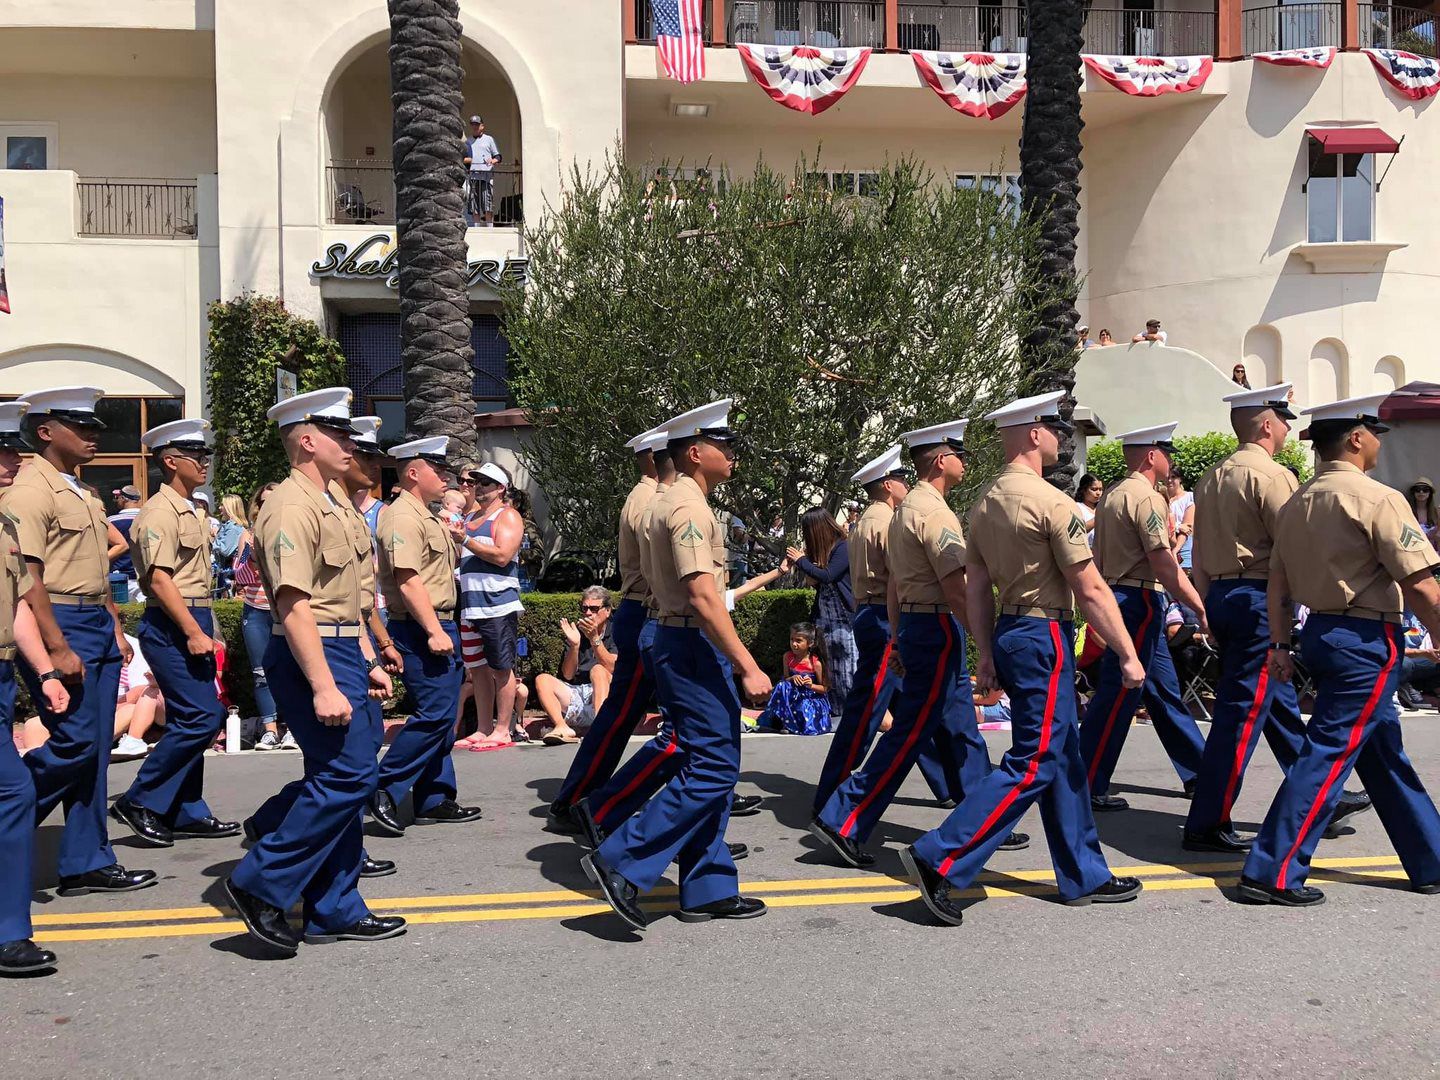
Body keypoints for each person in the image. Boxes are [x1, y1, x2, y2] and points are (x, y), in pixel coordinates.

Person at [901, 392, 1145, 924]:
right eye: (1055, 426)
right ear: (1034, 434)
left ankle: (1084, 873)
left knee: (1063, 757)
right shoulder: (1051, 502)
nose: (1061, 436)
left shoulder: (984, 502)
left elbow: (979, 587)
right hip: (1043, 634)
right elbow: (1091, 587)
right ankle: (940, 856)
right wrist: (1127, 653)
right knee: (1035, 759)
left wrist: (986, 652)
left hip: (1012, 632)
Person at [1240, 393, 1440, 905]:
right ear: (1356, 437)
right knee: (1326, 755)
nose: (1377, 444)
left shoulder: (1298, 501)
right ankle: (1271, 869)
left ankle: (1430, 859)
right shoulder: (1378, 498)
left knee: (1381, 753)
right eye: (1375, 434)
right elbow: (1419, 583)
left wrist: (1281, 644)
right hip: (1365, 640)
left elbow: (1278, 585)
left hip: (1323, 634)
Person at [582, 399, 773, 930]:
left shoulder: (676, 501)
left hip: (678, 639)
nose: (732, 455)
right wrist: (747, 664)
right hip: (689, 642)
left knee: (711, 761)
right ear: (695, 452)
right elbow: (703, 596)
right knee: (713, 767)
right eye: (724, 446)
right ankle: (620, 858)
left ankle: (707, 886)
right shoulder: (688, 508)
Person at [225, 387, 400, 956]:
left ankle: (333, 909)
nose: (350, 444)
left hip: (341, 649)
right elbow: (294, 603)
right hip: (311, 654)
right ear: (306, 440)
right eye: (338, 433)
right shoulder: (291, 505)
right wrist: (325, 683)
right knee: (348, 777)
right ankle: (260, 882)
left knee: (344, 778)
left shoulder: (331, 501)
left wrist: (367, 659)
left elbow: (348, 597)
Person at [810, 418, 1008, 870]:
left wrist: (898, 636)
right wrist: (985, 646)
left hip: (915, 627)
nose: (964, 461)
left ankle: (971, 812)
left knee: (934, 726)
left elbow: (896, 585)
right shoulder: (933, 511)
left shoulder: (904, 512)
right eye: (959, 453)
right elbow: (956, 585)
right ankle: (844, 816)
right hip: (935, 627)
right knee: (911, 731)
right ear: (941, 460)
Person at [1184, 384, 1370, 852]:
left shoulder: (1211, 477)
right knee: (1240, 717)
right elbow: (1291, 547)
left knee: (1276, 702)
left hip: (1225, 597)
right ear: (1267, 424)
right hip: (1257, 597)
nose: (1288, 429)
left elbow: (1201, 554)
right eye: (1284, 420)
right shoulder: (1272, 475)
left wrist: (1205, 608)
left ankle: (1318, 800)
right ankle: (1207, 822)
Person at [2, 386, 154, 898]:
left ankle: (87, 860)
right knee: (76, 743)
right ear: (45, 432)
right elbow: (28, 576)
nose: (94, 436)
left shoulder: (83, 493)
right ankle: (11, 814)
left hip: (92, 619)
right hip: (61, 621)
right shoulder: (30, 490)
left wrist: (113, 626)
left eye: (93, 427)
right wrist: (56, 646)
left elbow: (94, 573)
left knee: (93, 752)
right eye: (81, 427)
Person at [109, 419, 239, 848]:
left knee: (193, 716)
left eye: (205, 455)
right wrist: (191, 631)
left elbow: (199, 580)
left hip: (194, 619)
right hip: (172, 623)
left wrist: (207, 628)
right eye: (196, 456)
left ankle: (185, 809)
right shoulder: (159, 513)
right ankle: (141, 799)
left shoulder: (194, 508)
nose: (204, 463)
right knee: (204, 716)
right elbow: (161, 581)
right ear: (170, 461)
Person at [1078, 422, 1210, 811]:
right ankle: (1086, 781)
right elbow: (1164, 563)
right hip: (1139, 600)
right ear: (1152, 455)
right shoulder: (1147, 498)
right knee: (1118, 695)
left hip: (1123, 597)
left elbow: (1099, 559)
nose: (1171, 462)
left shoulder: (1113, 496)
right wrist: (1200, 608)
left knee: (1162, 692)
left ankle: (1202, 772)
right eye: (1167, 453)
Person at [548, 427, 666, 823]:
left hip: (644, 611)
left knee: (623, 715)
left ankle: (578, 799)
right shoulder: (650, 499)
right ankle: (585, 803)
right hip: (647, 611)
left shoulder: (648, 496)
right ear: (657, 457)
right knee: (630, 717)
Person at [368, 435, 480, 838]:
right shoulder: (402, 517)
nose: (446, 476)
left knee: (443, 713)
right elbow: (408, 578)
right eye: (438, 469)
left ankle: (434, 797)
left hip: (437, 622)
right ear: (414, 472)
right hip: (420, 626)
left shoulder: (425, 515)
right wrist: (433, 629)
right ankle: (383, 786)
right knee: (434, 714)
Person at [0, 401, 71, 975]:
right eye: (0, 453)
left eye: (12, 452)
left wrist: (44, 671)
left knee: (15, 792)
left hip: (2, 677)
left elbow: (20, 602)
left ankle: (9, 931)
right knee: (15, 792)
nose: (11, 462)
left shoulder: (3, 526)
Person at [812, 445, 908, 813]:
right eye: (901, 479)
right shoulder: (885, 522)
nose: (905, 486)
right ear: (887, 485)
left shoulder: (865, 521)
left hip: (872, 613)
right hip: (884, 616)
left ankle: (954, 784)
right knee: (867, 711)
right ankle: (831, 796)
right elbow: (898, 577)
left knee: (920, 709)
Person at [455, 462, 524, 749]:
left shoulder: (507, 516)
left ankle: (503, 729)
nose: (478, 487)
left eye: (485, 483)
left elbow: (502, 556)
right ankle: (484, 728)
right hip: (470, 605)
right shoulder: (469, 516)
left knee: (501, 668)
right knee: (478, 669)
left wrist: (466, 540)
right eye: (476, 482)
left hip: (497, 605)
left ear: (500, 488)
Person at [233, 482, 293, 751]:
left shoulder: (292, 530)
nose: (268, 506)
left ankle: (292, 727)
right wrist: (254, 556)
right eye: (263, 501)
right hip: (256, 609)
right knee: (261, 672)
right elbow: (240, 577)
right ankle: (270, 729)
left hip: (287, 610)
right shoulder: (248, 535)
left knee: (294, 669)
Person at [788, 507, 855, 721]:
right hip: (824, 621)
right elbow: (817, 581)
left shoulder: (843, 546)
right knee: (828, 668)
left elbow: (828, 576)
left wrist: (800, 560)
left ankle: (851, 712)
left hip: (844, 621)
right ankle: (834, 710)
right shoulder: (825, 551)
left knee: (847, 667)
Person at [534, 587, 617, 745]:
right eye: (584, 608)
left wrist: (594, 639)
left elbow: (612, 667)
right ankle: (562, 727)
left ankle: (600, 727)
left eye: (593, 609)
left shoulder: (616, 631)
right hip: (578, 694)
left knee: (598, 670)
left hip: (605, 693)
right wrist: (574, 646)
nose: (588, 613)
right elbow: (568, 675)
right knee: (542, 679)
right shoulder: (577, 632)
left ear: (607, 611)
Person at [757, 622, 830, 735]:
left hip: (810, 698)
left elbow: (824, 689)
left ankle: (794, 724)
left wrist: (811, 685)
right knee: (782, 685)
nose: (794, 644)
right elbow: (786, 678)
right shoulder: (788, 657)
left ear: (810, 643)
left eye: (798, 641)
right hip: (792, 695)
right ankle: (783, 721)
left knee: (803, 705)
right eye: (792, 640)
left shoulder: (815, 663)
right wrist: (792, 678)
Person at [107, 485, 143, 602]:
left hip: (118, 579)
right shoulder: (147, 519)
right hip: (142, 578)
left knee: (119, 616)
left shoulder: (111, 522)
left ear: (124, 498)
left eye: (118, 497)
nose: (116, 501)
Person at [464, 115, 501, 227]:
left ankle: (490, 228)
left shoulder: (489, 140)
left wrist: (493, 160)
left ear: (482, 126)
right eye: (473, 125)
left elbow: (498, 156)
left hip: (486, 177)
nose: (475, 127)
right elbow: (465, 158)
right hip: (473, 177)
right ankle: (476, 228)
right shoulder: (468, 142)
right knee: (474, 206)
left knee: (487, 205)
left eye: (477, 124)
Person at [1166, 473, 1195, 571]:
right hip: (1166, 545)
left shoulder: (1189, 497)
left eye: (1173, 477)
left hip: (1184, 546)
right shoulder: (1163, 499)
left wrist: (1176, 550)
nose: (1169, 480)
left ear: (1180, 479)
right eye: (1167, 477)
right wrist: (1178, 526)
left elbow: (1187, 528)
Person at [1407, 477, 1439, 545]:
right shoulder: (1407, 511)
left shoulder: (1437, 512)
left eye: (1425, 490)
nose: (1421, 492)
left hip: (1434, 551)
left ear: (1430, 493)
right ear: (1413, 492)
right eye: (1417, 489)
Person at [1074, 472, 1102, 546]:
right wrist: (1099, 518)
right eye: (1094, 489)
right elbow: (1078, 530)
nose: (1098, 493)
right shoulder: (1077, 507)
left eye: (1100, 489)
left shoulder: (1102, 507)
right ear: (1083, 490)